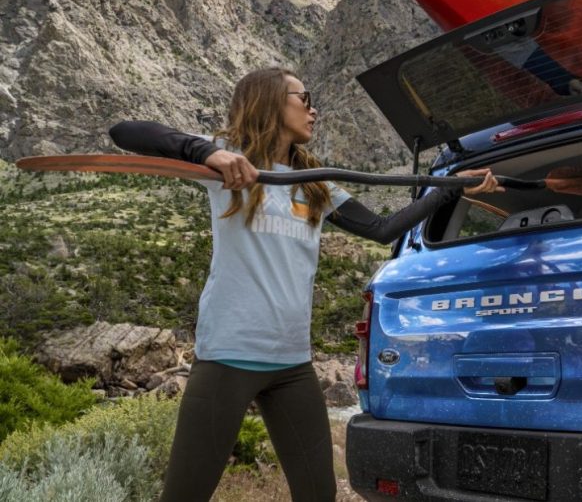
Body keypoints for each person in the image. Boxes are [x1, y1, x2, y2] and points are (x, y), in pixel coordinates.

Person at [109, 66, 500, 501]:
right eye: (305, 98)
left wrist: (449, 188)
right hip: (228, 358)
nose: (314, 110)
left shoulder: (315, 184)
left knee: (318, 495)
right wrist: (207, 153)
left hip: (291, 364)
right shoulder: (227, 164)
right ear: (271, 101)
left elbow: (382, 228)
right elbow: (124, 131)